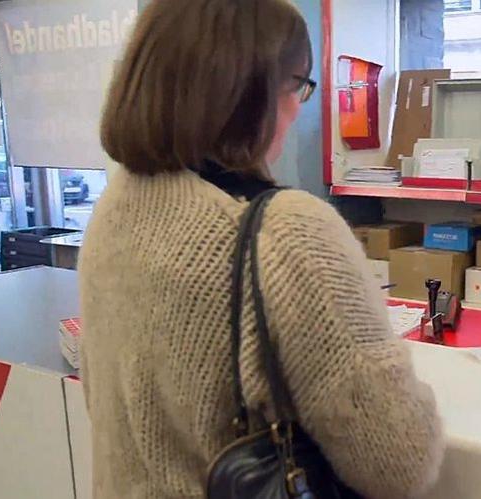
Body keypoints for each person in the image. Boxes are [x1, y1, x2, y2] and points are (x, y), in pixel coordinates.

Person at [79, 1, 443, 498]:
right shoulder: (286, 234)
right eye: (297, 85)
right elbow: (399, 461)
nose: (298, 106)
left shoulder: (113, 208)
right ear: (247, 92)